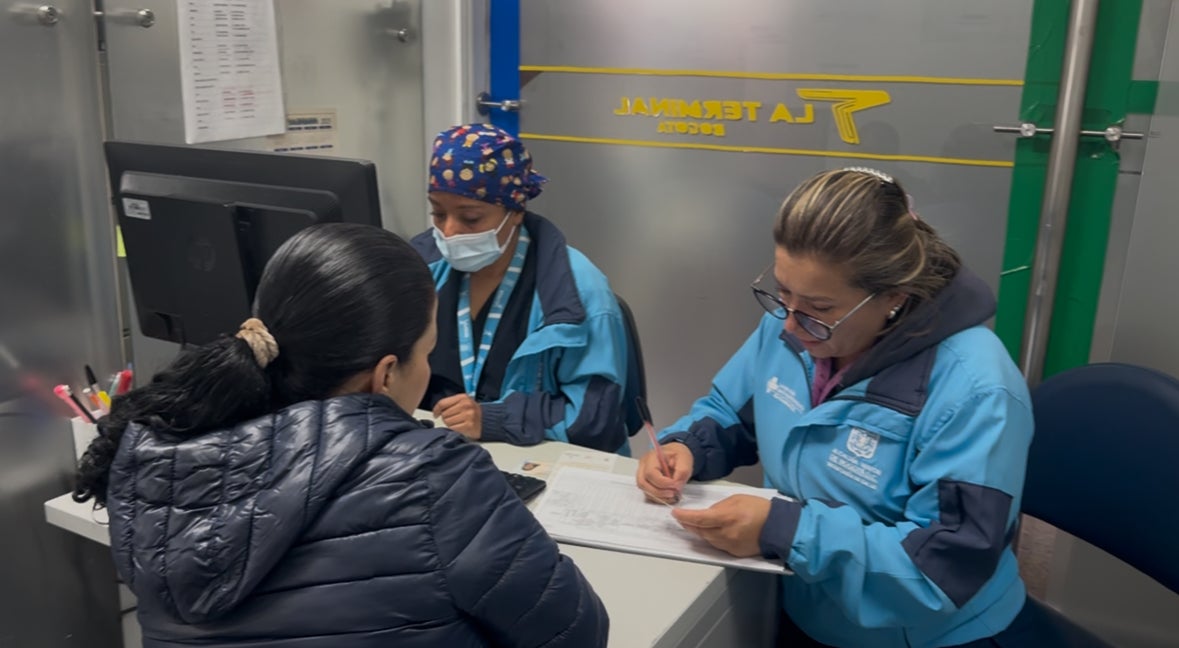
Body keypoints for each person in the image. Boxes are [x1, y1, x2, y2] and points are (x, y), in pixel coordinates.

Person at [73, 223, 609, 648]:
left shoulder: (160, 459)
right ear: (385, 374)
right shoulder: (434, 475)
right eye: (427, 352)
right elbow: (576, 632)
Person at [636, 168, 1033, 648]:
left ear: (894, 297)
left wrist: (787, 532)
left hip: (919, 634)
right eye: (782, 292)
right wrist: (688, 447)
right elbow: (733, 411)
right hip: (805, 598)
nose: (789, 324)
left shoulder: (977, 389)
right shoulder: (793, 327)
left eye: (820, 308)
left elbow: (941, 567)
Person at [412, 123, 631, 453]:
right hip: (445, 451)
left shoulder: (579, 291)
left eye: (470, 218)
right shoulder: (420, 268)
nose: (449, 232)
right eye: (438, 213)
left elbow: (594, 419)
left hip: (543, 459)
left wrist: (494, 419)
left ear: (515, 212)